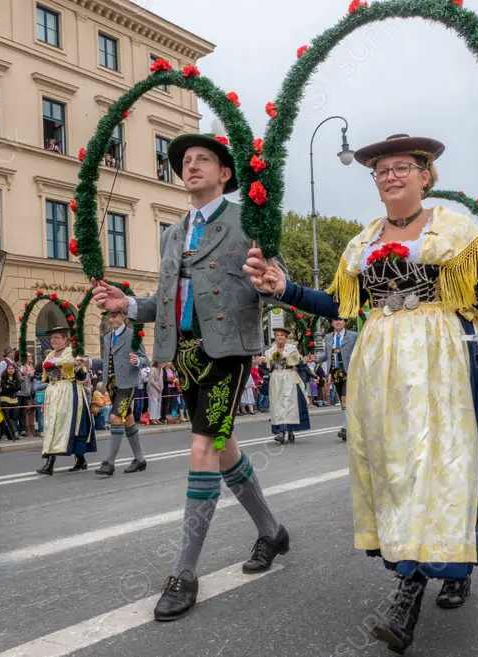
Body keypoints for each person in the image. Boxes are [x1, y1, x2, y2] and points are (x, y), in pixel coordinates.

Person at [245, 134, 478, 653]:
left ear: (425, 175)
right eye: (381, 171)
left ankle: (412, 587)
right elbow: (340, 304)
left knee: (442, 463)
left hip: (440, 357)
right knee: (395, 466)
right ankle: (431, 562)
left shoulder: (457, 231)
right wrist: (285, 289)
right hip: (379, 359)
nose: (390, 177)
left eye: (401, 168)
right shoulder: (362, 242)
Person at [92, 131, 289, 622]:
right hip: (185, 354)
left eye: (204, 159)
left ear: (225, 173)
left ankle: (184, 572)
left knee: (202, 448)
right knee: (222, 448)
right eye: (185, 161)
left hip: (229, 353)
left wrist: (268, 284)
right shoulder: (171, 232)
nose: (191, 166)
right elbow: (166, 302)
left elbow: (274, 285)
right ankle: (271, 531)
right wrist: (127, 304)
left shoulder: (248, 220)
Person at [94, 309, 149, 476]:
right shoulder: (107, 337)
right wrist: (88, 361)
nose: (111, 319)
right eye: (110, 316)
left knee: (115, 417)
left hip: (127, 384)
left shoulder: (133, 335)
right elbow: (106, 361)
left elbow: (145, 359)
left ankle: (109, 462)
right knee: (128, 421)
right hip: (112, 384)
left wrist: (137, 360)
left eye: (115, 315)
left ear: (124, 317)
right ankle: (140, 460)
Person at [36, 327, 96, 474]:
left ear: (65, 339)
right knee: (52, 425)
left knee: (69, 425)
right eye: (51, 338)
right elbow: (45, 376)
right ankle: (59, 461)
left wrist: (78, 370)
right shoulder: (49, 355)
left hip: (69, 391)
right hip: (53, 391)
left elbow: (82, 376)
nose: (53, 340)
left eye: (57, 337)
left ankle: (65, 461)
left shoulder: (72, 352)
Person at [264, 327, 310, 444]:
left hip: (288, 377)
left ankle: (286, 431)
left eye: (282, 335)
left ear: (286, 338)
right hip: (276, 378)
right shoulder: (269, 351)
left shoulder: (292, 349)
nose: (279, 337)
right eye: (277, 335)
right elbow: (268, 365)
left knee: (288, 403)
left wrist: (282, 355)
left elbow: (294, 361)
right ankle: (282, 430)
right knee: (277, 404)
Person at [324, 318, 358, 442]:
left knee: (345, 400)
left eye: (340, 320)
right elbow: (326, 355)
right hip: (335, 373)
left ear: (345, 322)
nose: (338, 322)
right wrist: (315, 358)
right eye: (335, 320)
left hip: (349, 371)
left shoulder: (354, 336)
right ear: (332, 323)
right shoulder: (328, 337)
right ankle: (349, 426)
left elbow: (359, 351)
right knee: (343, 402)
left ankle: (345, 428)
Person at [0, 363, 21, 442]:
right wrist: (13, 387)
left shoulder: (16, 377)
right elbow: (4, 388)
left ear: (14, 370)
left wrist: (10, 387)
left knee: (13, 418)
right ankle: (5, 434)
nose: (10, 370)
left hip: (14, 400)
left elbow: (18, 387)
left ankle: (12, 434)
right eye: (9, 369)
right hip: (5, 400)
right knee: (6, 418)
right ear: (6, 370)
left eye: (12, 369)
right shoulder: (3, 377)